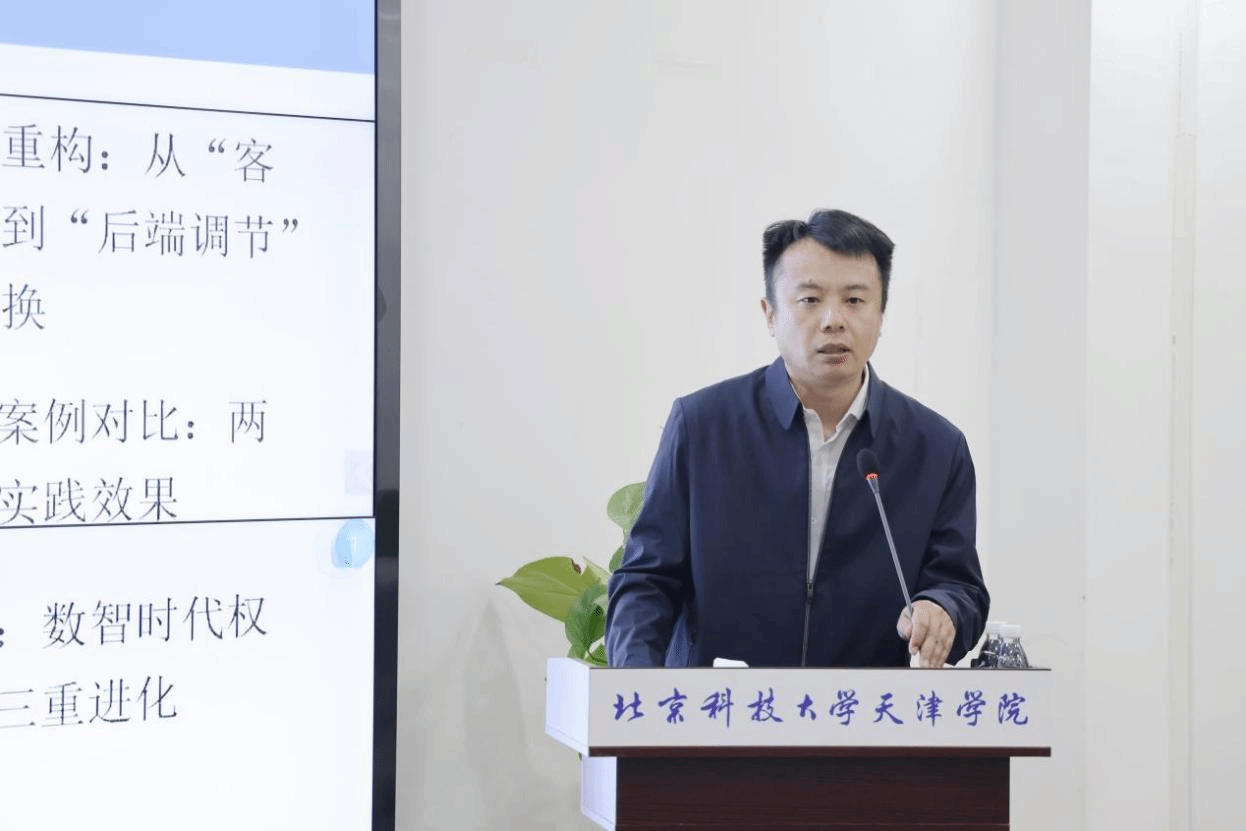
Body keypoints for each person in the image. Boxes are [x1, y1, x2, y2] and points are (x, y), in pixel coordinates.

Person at [605, 208, 989, 669]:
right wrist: (637, 690)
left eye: (855, 300)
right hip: (721, 708)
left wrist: (942, 609)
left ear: (881, 314)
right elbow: (647, 580)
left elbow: (960, 585)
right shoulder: (703, 426)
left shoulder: (936, 449)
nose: (833, 320)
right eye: (809, 299)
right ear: (770, 315)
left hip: (863, 710)